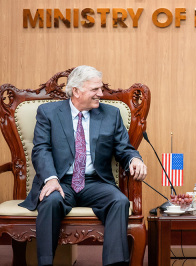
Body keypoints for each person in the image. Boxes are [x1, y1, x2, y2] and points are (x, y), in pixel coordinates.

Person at [19, 65, 147, 266]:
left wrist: (134, 159)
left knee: (119, 201)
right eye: (95, 89)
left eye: (101, 88)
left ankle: (115, 264)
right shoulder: (48, 113)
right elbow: (41, 149)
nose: (100, 94)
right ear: (76, 91)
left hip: (96, 182)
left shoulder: (111, 115)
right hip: (60, 181)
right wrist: (51, 179)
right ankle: (45, 263)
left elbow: (124, 148)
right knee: (50, 201)